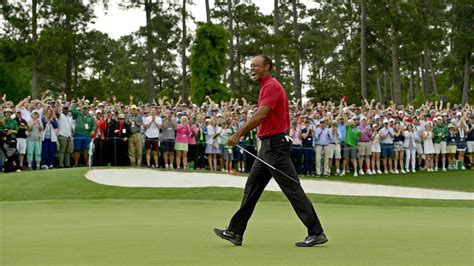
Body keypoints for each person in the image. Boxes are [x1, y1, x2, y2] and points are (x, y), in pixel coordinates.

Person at [213, 55, 327, 248]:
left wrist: (239, 134)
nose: (252, 69)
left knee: (292, 189)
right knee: (252, 189)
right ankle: (235, 231)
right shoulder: (266, 86)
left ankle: (316, 232)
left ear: (267, 67)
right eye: (250, 66)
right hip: (268, 147)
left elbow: (261, 115)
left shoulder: (271, 86)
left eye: (256, 66)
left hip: (275, 147)